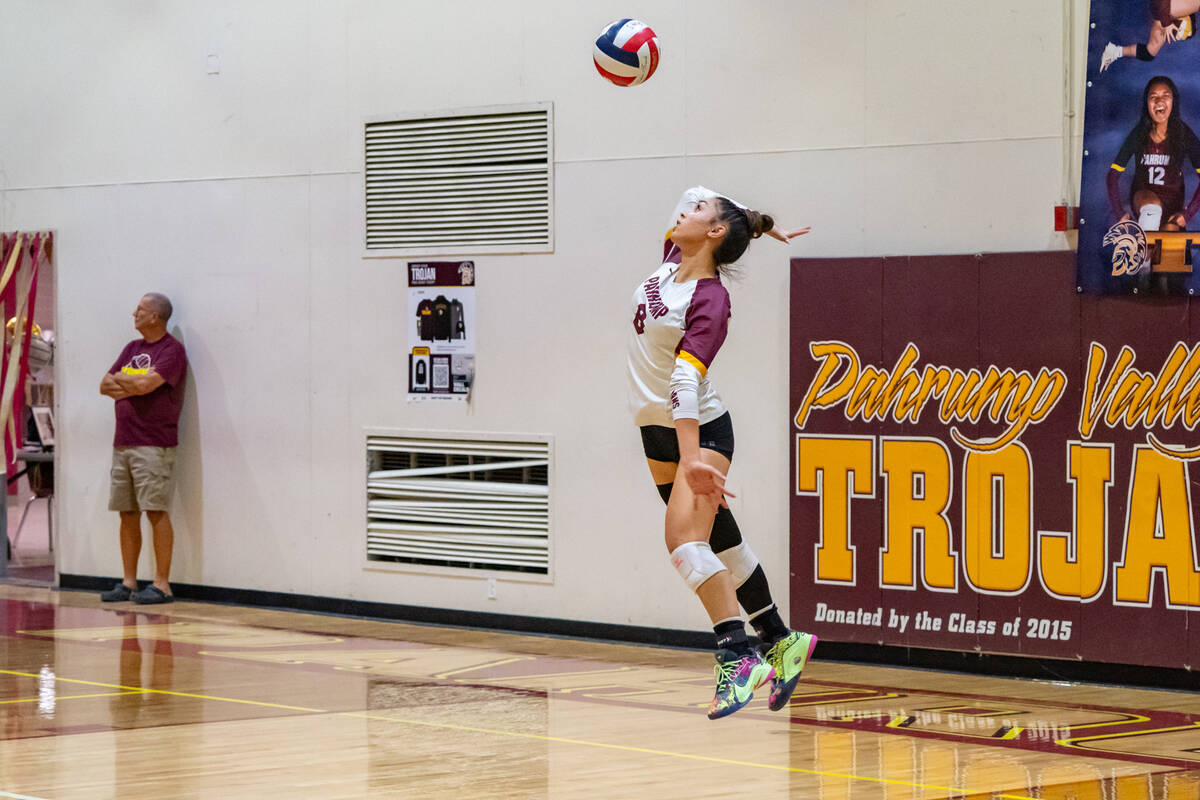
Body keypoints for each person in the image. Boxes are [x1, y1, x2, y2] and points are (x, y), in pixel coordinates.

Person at [627, 186, 815, 719]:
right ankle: (779, 639)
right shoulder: (673, 259)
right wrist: (760, 224)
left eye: (699, 213)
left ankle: (737, 654)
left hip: (699, 430)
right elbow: (700, 190)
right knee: (719, 541)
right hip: (657, 429)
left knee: (683, 542)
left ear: (713, 233)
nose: (685, 209)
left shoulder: (710, 299)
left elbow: (685, 381)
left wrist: (692, 459)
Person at [98, 293, 187, 605]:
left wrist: (128, 382)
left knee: (155, 510)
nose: (133, 313)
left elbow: (145, 385)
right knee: (127, 512)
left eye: (140, 309)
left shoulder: (171, 351)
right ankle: (129, 582)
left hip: (153, 443)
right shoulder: (132, 349)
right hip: (123, 441)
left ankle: (162, 585)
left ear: (155, 317)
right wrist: (133, 383)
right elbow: (104, 385)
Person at [1107, 75, 1200, 232]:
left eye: (1166, 96)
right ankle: (1145, 244)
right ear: (1147, 103)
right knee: (1152, 209)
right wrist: (1119, 212)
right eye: (1153, 97)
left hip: (1173, 206)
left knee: (1168, 243)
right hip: (1144, 198)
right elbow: (1113, 175)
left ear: (1174, 101)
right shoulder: (1139, 133)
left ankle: (1146, 246)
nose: (1159, 101)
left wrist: (1188, 214)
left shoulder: (1183, 134)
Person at [1099, 1, 1199, 72]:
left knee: (1149, 53)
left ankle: (1114, 51)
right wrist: (1167, 23)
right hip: (1163, 8)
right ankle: (1180, 20)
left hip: (1165, 12)